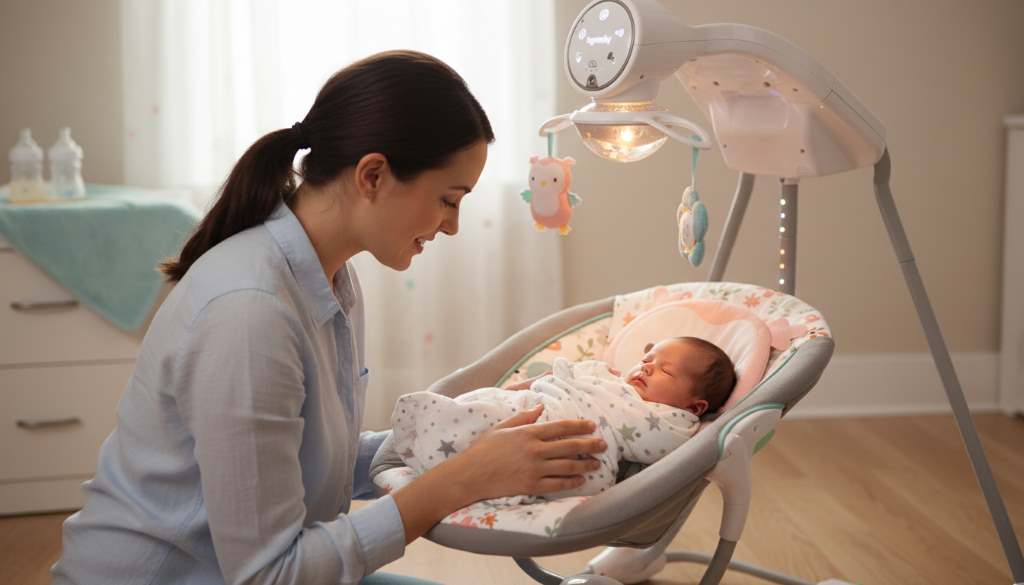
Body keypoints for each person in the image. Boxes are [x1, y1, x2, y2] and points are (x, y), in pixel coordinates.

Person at [51, 50, 607, 585]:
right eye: (448, 198)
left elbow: (319, 463)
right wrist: (456, 482)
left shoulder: (328, 278)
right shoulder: (251, 315)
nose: (452, 225)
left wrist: (464, 437)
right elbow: (271, 572)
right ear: (372, 175)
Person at [391, 337, 737, 503]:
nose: (646, 366)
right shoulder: (608, 377)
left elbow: (671, 448)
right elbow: (560, 380)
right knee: (490, 408)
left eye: (666, 370)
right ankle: (440, 435)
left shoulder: (668, 421)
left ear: (693, 407)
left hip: (562, 433)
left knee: (498, 428)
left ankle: (442, 456)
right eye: (647, 358)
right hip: (542, 403)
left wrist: (695, 427)